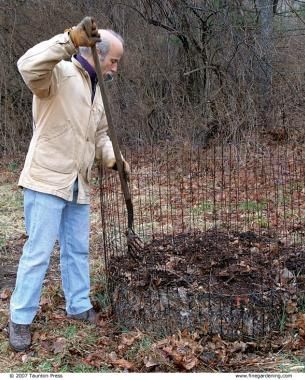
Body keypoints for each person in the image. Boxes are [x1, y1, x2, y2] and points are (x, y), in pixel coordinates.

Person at [9, 17, 130, 352]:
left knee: (77, 250)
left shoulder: (98, 90)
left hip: (79, 183)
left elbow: (100, 135)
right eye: (114, 61)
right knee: (38, 252)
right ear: (95, 52)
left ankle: (78, 307)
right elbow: (26, 65)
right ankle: (20, 319)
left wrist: (112, 159)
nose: (115, 68)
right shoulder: (57, 75)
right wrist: (69, 39)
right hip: (47, 179)